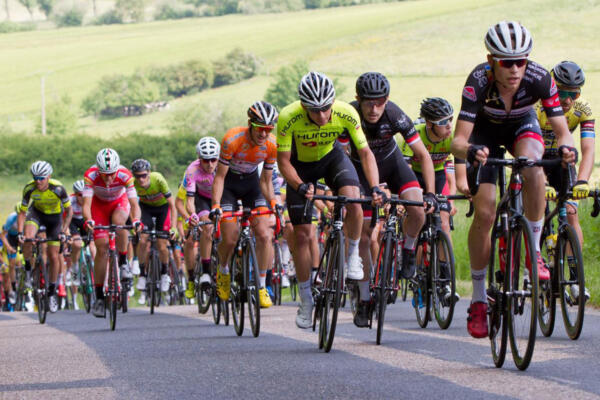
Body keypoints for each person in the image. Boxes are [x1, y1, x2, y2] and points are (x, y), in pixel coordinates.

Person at [450, 21, 577, 339]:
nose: (515, 69)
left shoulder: (539, 78)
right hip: (485, 134)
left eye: (521, 60)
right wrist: (472, 150)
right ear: (491, 60)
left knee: (534, 167)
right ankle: (479, 299)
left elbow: (562, 132)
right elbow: (457, 142)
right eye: (507, 62)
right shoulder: (478, 80)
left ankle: (532, 249)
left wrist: (566, 148)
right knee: (487, 212)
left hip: (522, 125)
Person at [276, 71, 382, 329]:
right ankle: (305, 299)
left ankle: (353, 254)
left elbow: (365, 153)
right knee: (302, 235)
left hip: (332, 159)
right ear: (303, 106)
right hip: (301, 168)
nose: (322, 116)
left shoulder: (346, 112)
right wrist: (300, 185)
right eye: (314, 111)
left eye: (326, 109)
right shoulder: (288, 117)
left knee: (354, 201)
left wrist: (377, 186)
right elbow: (283, 161)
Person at [346, 72, 436, 327]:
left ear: (387, 100)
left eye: (380, 102)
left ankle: (408, 251)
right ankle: (364, 299)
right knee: (364, 234)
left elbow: (423, 155)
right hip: (360, 172)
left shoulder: (395, 114)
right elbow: (341, 155)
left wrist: (429, 192)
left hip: (392, 165)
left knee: (418, 209)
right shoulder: (349, 115)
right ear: (358, 100)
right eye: (368, 103)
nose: (374, 109)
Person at [211, 101, 280, 309]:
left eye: (268, 130)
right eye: (260, 129)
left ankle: (260, 285)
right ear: (250, 123)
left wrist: (274, 202)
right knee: (230, 238)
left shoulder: (271, 145)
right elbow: (220, 177)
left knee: (265, 233)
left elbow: (266, 181)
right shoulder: (232, 139)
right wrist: (215, 204)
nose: (264, 134)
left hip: (253, 185)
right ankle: (223, 271)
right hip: (229, 185)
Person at [537, 61, 594, 301]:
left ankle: (575, 279)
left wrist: (582, 181)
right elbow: (530, 147)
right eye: (562, 92)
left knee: (570, 213)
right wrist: (541, 180)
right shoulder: (537, 105)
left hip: (564, 161)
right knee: (537, 210)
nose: (569, 99)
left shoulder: (582, 109)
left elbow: (588, 149)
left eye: (575, 93)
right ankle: (537, 265)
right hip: (538, 159)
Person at [402, 97, 461, 305]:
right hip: (413, 176)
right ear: (429, 124)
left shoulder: (452, 137)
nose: (449, 126)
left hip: (438, 176)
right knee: (418, 221)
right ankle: (417, 273)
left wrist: (455, 197)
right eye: (443, 122)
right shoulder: (414, 135)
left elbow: (454, 173)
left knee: (442, 222)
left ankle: (445, 280)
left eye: (450, 120)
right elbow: (405, 172)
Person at [82, 148, 142, 318]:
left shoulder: (125, 175)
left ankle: (123, 262)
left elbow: (134, 204)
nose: (108, 178)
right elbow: (86, 204)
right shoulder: (91, 175)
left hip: (118, 202)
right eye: (104, 174)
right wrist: (88, 220)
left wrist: (136, 220)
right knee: (101, 250)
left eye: (111, 174)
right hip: (99, 206)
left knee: (120, 223)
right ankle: (99, 298)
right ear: (98, 170)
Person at [17, 161, 72, 313]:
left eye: (41, 178)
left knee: (54, 256)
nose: (38, 181)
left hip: (55, 219)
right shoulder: (29, 189)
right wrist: (21, 233)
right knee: (28, 237)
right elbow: (22, 213)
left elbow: (69, 211)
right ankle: (28, 268)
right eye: (35, 178)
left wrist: (64, 231)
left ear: (49, 176)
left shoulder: (58, 188)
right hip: (37, 215)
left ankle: (52, 291)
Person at [131, 159, 177, 305]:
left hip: (163, 209)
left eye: (144, 175)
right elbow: (131, 206)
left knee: (162, 245)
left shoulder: (158, 179)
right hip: (146, 209)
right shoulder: (133, 184)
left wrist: (174, 227)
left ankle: (164, 273)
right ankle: (143, 274)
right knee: (143, 239)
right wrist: (134, 222)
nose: (141, 179)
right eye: (138, 176)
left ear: (149, 173)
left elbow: (173, 205)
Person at [184, 137, 219, 297]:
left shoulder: (225, 166)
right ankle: (205, 271)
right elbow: (189, 201)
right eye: (206, 160)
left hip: (221, 197)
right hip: (202, 200)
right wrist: (192, 215)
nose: (210, 164)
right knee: (208, 226)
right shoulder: (192, 170)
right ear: (199, 159)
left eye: (213, 160)